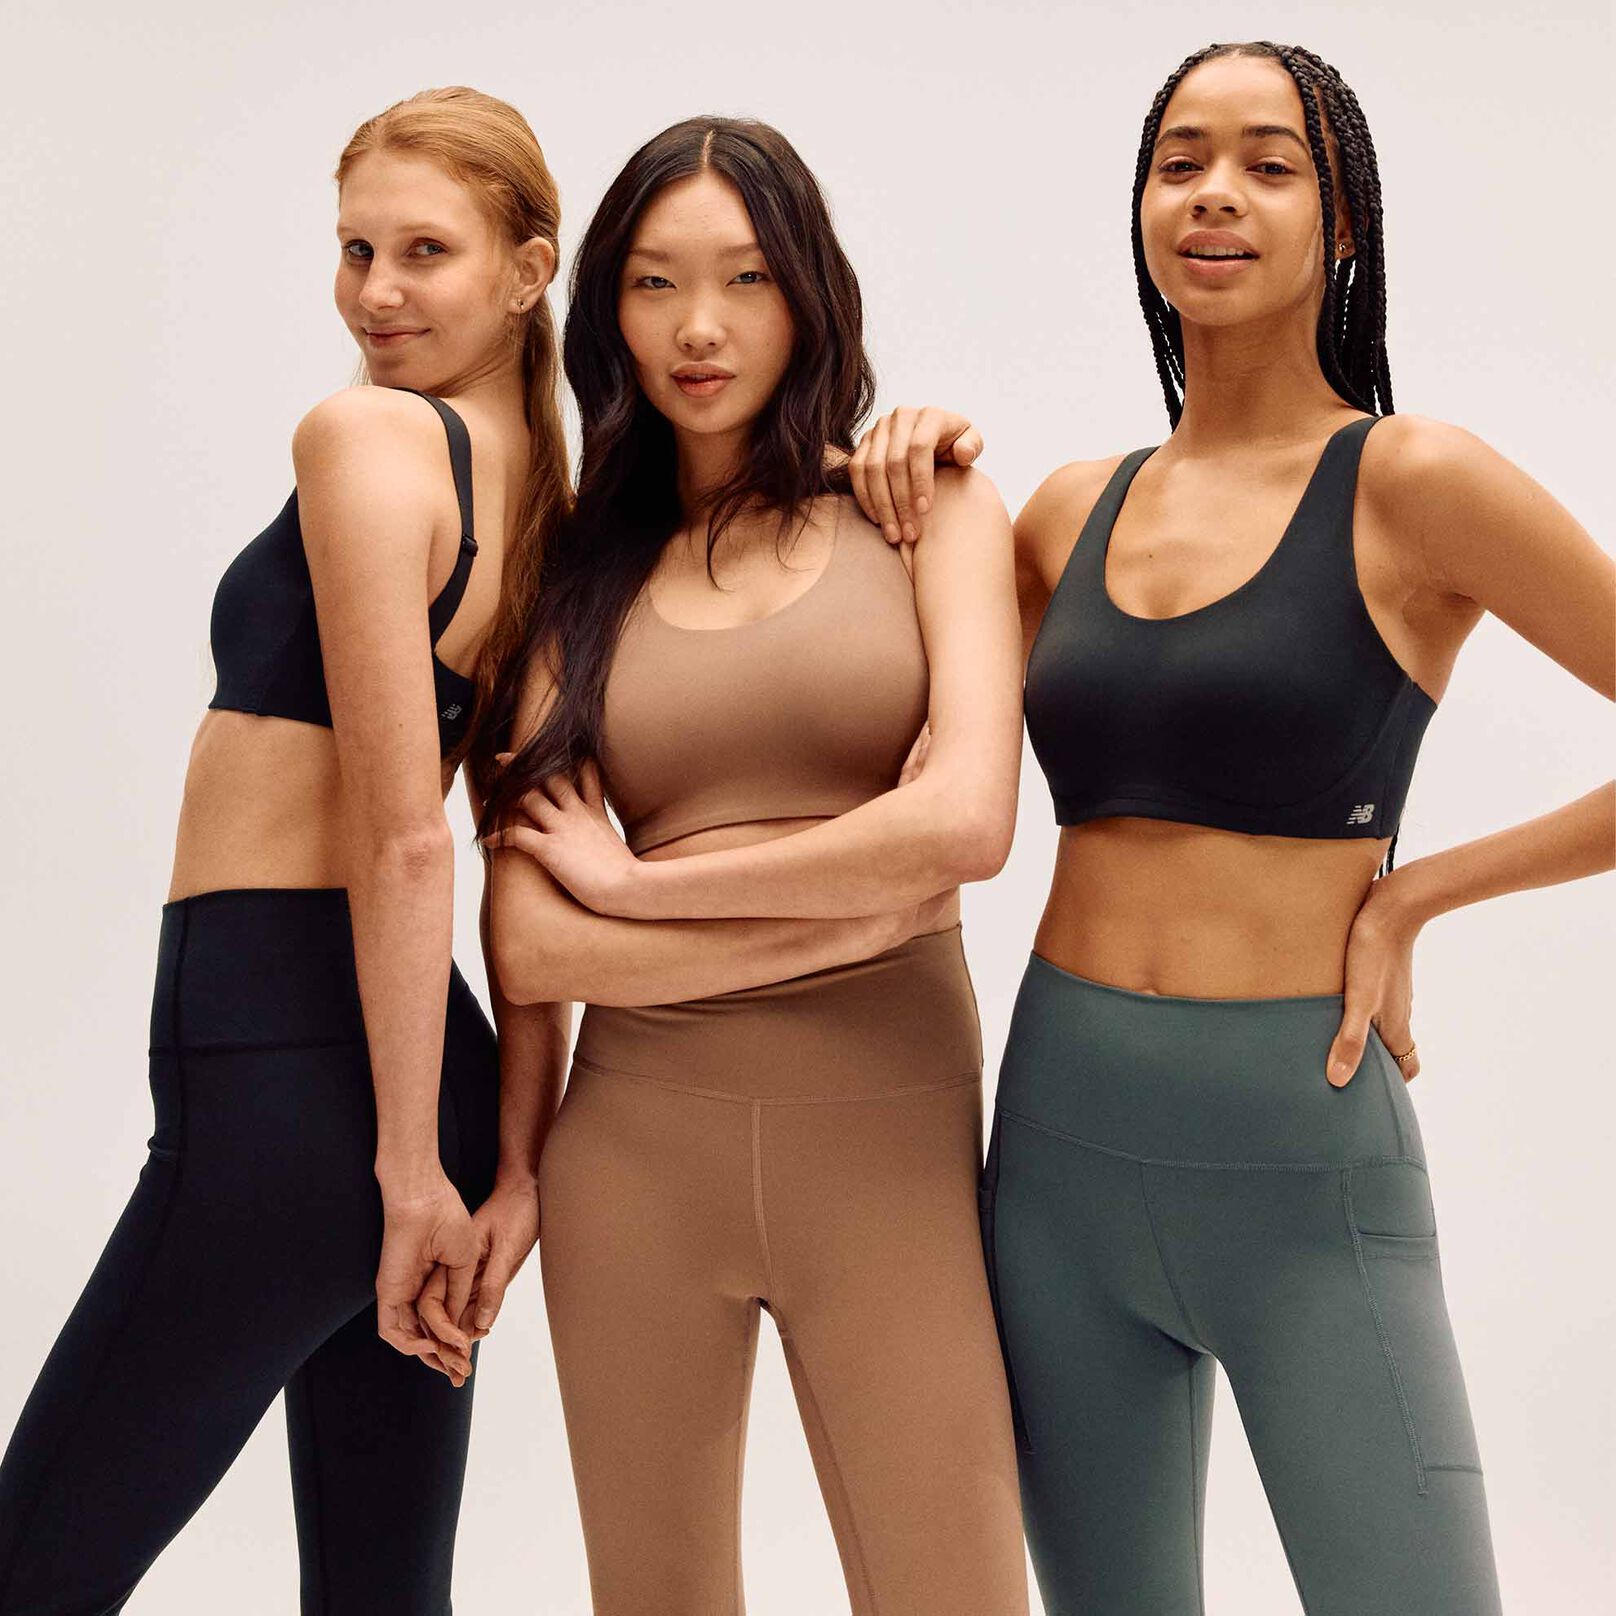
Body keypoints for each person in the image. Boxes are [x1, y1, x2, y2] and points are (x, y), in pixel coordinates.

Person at [854, 39, 1614, 1616]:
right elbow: (898, 760)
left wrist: (1417, 901)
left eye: (1270, 164)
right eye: (1181, 160)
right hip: (1055, 1153)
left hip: (1301, 1160)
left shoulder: (1413, 481)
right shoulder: (1066, 508)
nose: (1216, 194)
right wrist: (904, 470)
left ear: (1344, 227)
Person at [0, 87, 571, 1615]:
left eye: (426, 252)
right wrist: (499, 1158)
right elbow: (529, 876)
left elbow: (407, 844)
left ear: (529, 271)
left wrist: (404, 1177)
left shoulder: (368, 438)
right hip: (414, 1082)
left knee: (37, 1555)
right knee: (383, 1591)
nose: (376, 293)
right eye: (355, 249)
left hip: (290, 1077)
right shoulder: (552, 511)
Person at [480, 116, 1030, 1615]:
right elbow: (534, 946)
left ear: (809, 297)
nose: (700, 328)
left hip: (892, 1144)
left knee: (957, 1588)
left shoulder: (927, 509)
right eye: (655, 285)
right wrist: (864, 897)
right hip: (636, 1161)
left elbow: (968, 828)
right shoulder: (569, 565)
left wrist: (645, 892)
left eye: (745, 279)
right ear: (608, 315)